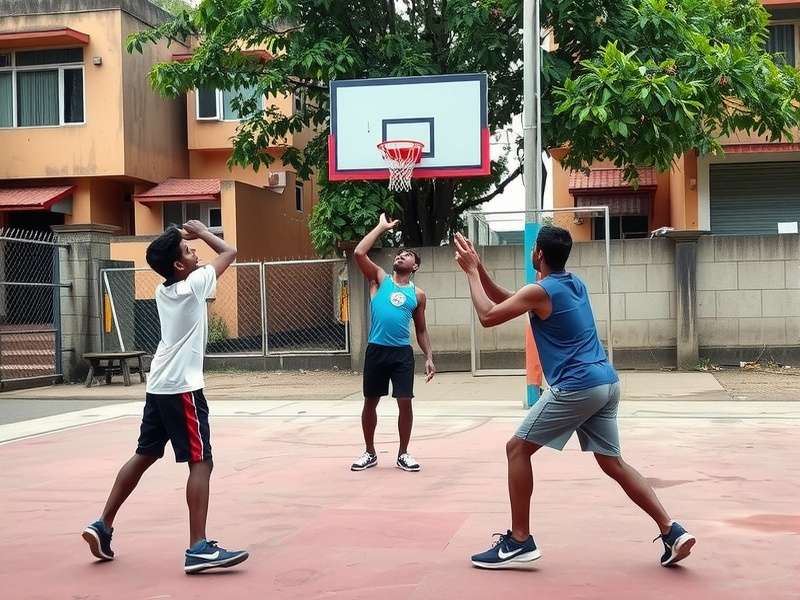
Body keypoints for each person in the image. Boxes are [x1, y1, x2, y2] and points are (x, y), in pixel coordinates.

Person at [453, 227, 695, 569]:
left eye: (534, 250)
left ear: (537, 254)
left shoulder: (541, 290)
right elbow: (514, 300)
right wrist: (479, 269)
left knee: (516, 448)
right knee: (613, 463)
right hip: (606, 384)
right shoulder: (571, 283)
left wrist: (470, 274)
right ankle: (672, 530)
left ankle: (520, 540)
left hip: (578, 386)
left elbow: (489, 316)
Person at [82, 220, 249, 574]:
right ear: (178, 265)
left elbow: (202, 262)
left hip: (158, 385)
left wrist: (184, 244)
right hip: (182, 388)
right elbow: (230, 251)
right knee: (201, 462)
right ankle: (198, 548)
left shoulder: (165, 289)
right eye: (188, 252)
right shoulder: (194, 285)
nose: (195, 252)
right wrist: (202, 230)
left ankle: (102, 523)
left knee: (145, 454)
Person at [350, 213, 436, 472]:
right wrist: (380, 227)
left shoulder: (417, 294)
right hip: (376, 350)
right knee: (370, 402)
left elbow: (421, 330)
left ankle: (403, 453)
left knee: (405, 402)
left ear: (415, 266)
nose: (400, 256)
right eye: (399, 254)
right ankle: (370, 452)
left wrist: (430, 357)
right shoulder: (380, 279)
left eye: (407, 254)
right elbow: (358, 253)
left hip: (401, 354)